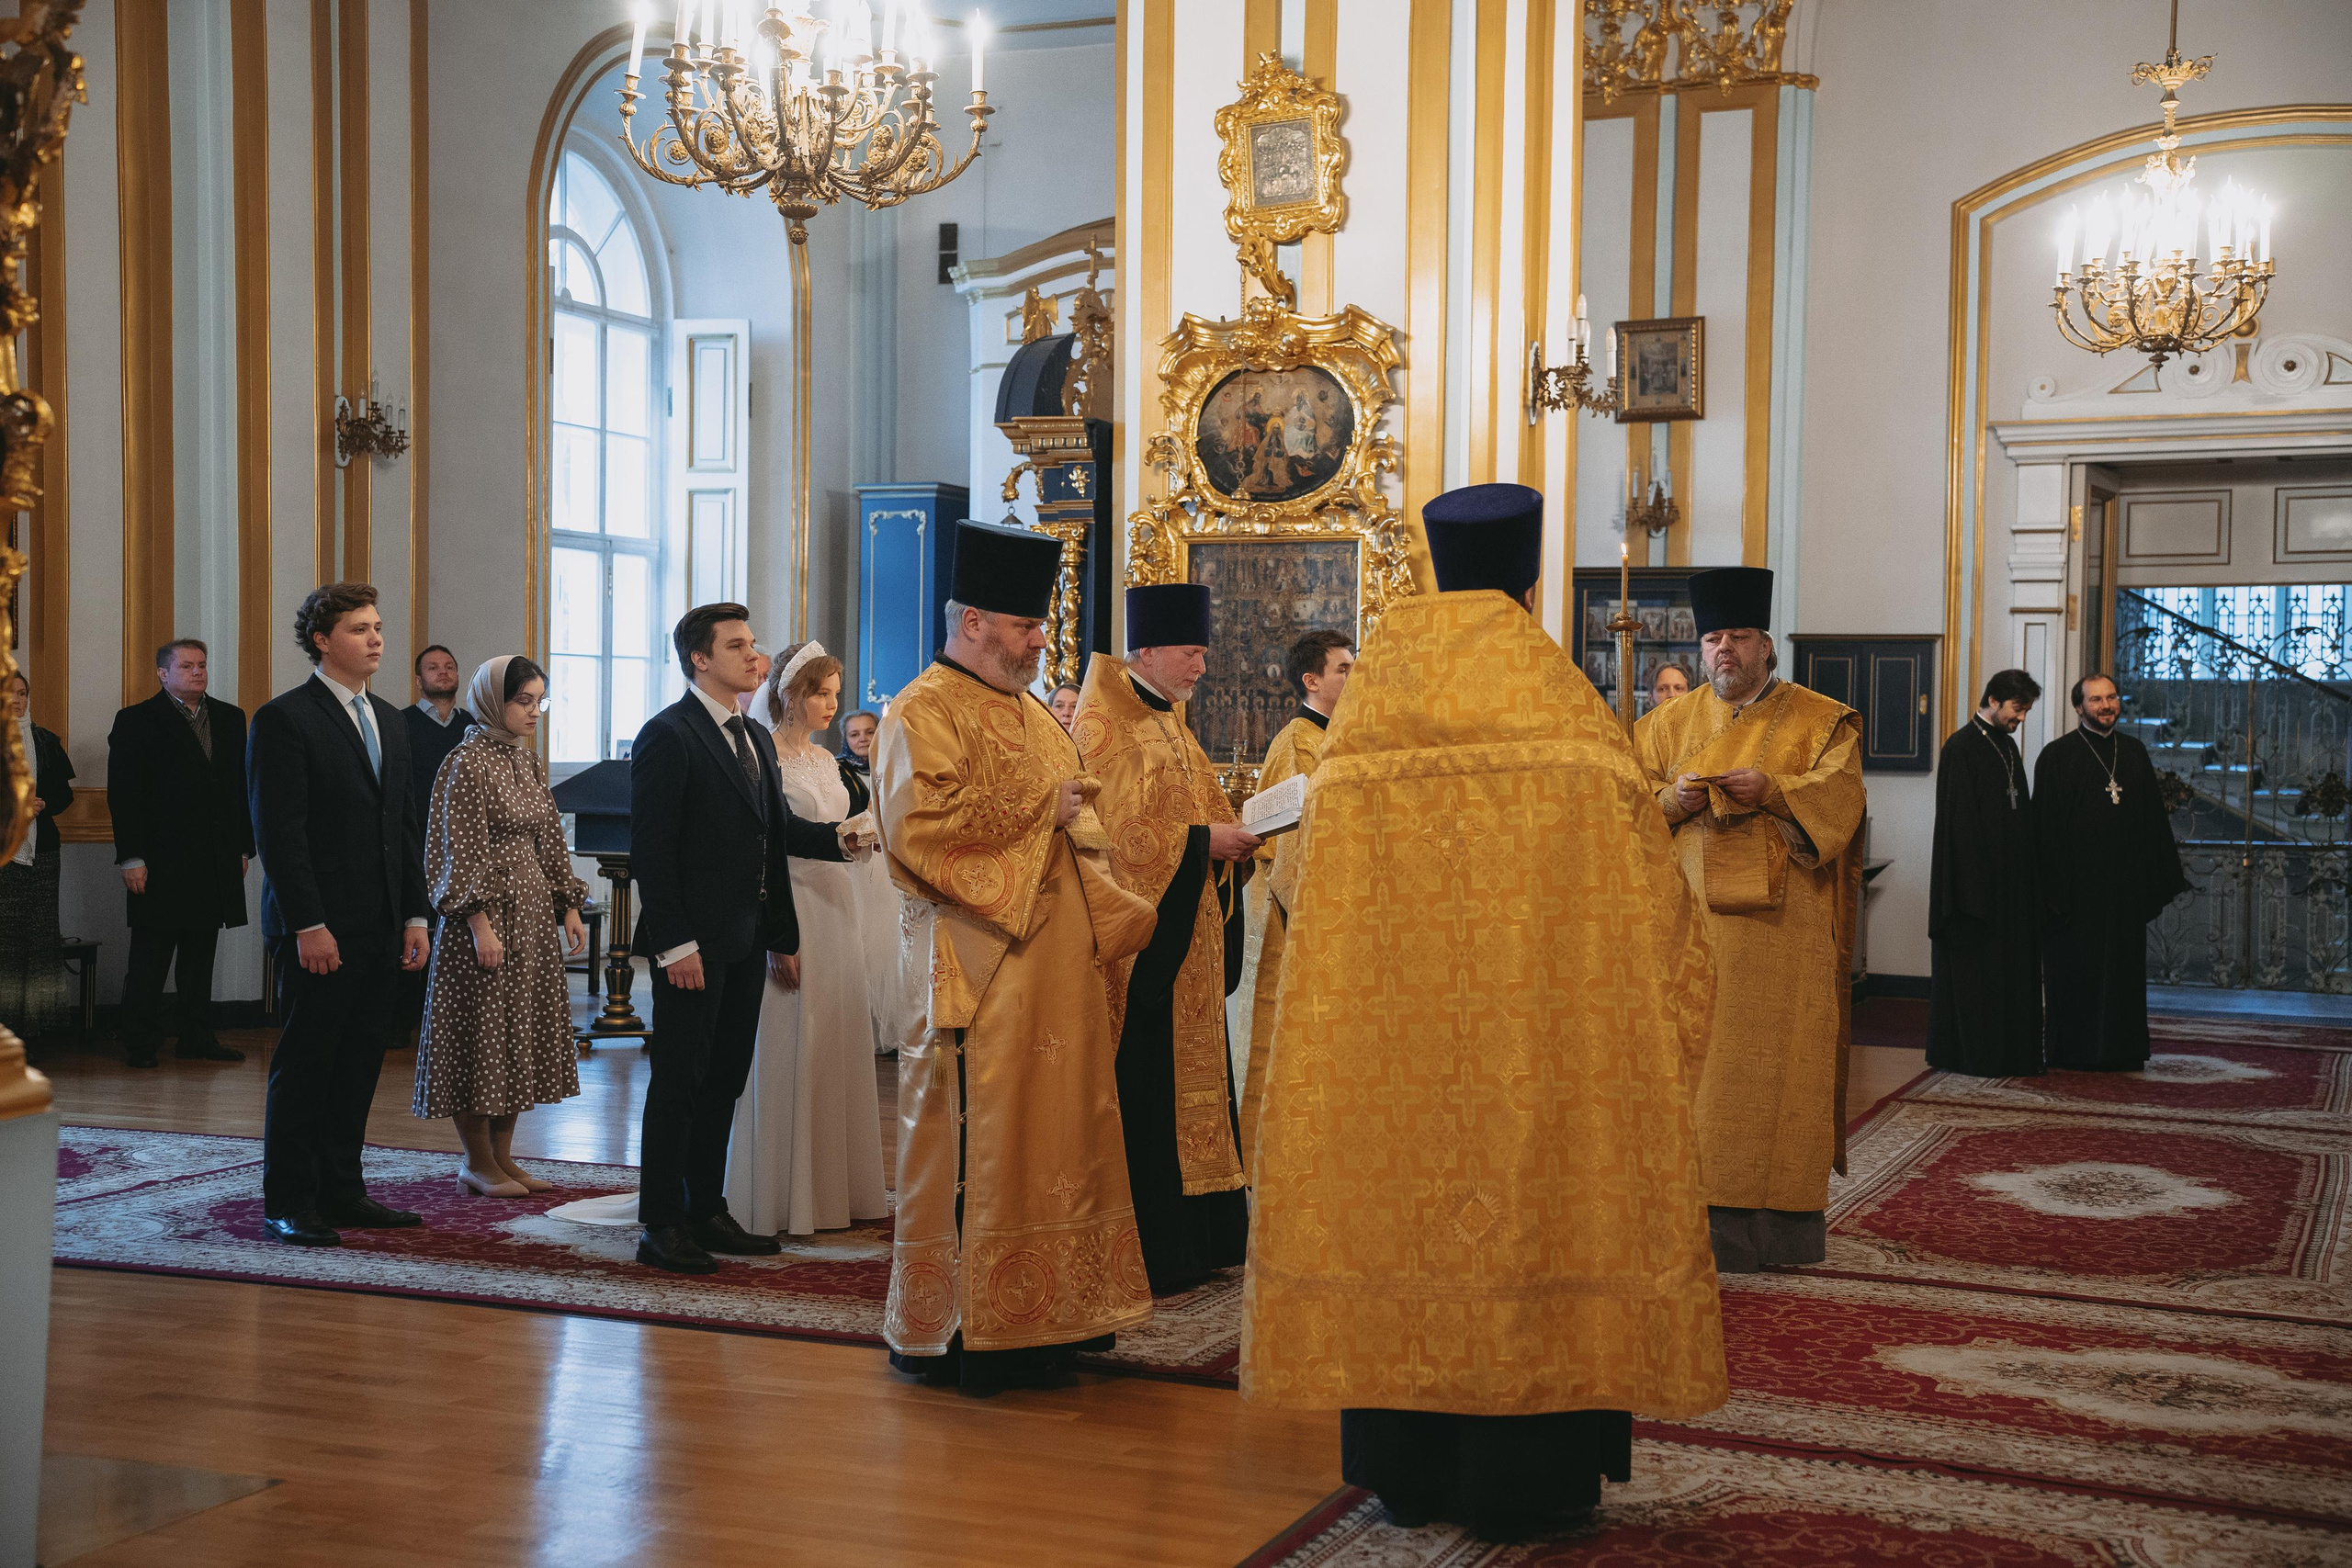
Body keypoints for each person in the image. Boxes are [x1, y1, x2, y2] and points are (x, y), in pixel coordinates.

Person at [1247, 484, 1724, 1539]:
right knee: (1536, 1214)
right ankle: (1535, 1484)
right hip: (1544, 1061)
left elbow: (1298, 890)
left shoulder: (1365, 736)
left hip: (1394, 1065)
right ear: (1530, 578)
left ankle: (1407, 1477)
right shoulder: (1574, 731)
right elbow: (1660, 925)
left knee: (1404, 1220)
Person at [874, 520, 1159, 1393]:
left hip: (1058, 976)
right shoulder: (919, 711)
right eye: (1026, 628)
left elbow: (1079, 819)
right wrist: (1048, 803)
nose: (1040, 642)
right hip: (979, 974)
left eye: (1039, 629)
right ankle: (970, 1331)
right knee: (980, 1148)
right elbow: (916, 834)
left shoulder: (1035, 709)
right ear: (973, 624)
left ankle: (1055, 1314)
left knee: (1063, 1140)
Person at [1632, 566, 1864, 1275]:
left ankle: (1774, 1233)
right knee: (1689, 1081)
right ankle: (1678, 1228)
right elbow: (1622, 802)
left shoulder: (1822, 719)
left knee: (1774, 1078)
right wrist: (1671, 802)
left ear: (1765, 644)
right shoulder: (1664, 723)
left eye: (1736, 636)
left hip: (1781, 943)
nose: (1722, 649)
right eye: (1711, 638)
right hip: (1686, 935)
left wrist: (1775, 790)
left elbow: (1842, 800)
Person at [629, 604, 848, 1275]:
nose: (755, 656)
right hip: (691, 944)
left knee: (724, 1079)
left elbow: (773, 841)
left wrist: (781, 933)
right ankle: (660, 1221)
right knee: (680, 1081)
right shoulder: (669, 734)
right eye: (737, 646)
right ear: (699, 658)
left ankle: (706, 1207)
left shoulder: (751, 737)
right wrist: (674, 944)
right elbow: (654, 850)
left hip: (745, 938)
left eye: (753, 644)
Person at [1074, 583, 1260, 1296]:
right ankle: (1158, 1244)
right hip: (1145, 952)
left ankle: (1206, 1235)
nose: (1202, 666)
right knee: (1150, 1089)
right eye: (1191, 652)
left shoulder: (1172, 726)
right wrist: (1202, 842)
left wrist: (1229, 842)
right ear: (1147, 650)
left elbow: (1195, 817)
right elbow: (1113, 839)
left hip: (1192, 943)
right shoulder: (1104, 727)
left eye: (1205, 652)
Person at [248, 583, 433, 1247]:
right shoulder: (285, 718)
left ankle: (342, 1189)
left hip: (382, 922)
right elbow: (281, 835)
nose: (377, 638)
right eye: (360, 628)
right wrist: (307, 924)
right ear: (323, 640)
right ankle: (289, 1199)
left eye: (379, 626)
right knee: (307, 1065)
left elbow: (405, 825)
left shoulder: (389, 716)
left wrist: (416, 913)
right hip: (317, 927)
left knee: (358, 1063)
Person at [724, 642, 888, 1235]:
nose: (831, 704)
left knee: (837, 1039)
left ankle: (834, 1193)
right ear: (791, 693)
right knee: (793, 1038)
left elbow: (856, 813)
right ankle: (778, 1197)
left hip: (838, 904)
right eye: (822, 693)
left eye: (836, 694)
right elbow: (772, 835)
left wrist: (865, 831)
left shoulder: (826, 761)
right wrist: (776, 935)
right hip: (792, 906)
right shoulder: (761, 752)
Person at [413, 655, 591, 1196]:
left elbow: (549, 839)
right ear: (494, 701)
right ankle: (476, 1161)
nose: (534, 712)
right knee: (480, 1037)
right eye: (523, 701)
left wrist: (568, 904)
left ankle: (504, 1157)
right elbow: (455, 850)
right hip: (485, 923)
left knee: (517, 1037)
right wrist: (478, 923)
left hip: (533, 915)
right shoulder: (466, 762)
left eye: (540, 701)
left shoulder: (528, 762)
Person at [107, 639, 254, 1068]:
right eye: (187, 666)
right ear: (162, 673)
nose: (197, 672)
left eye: (202, 665)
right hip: (158, 859)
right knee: (151, 954)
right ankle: (140, 1041)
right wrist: (131, 857)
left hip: (213, 857)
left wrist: (243, 847)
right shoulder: (137, 720)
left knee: (200, 954)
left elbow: (238, 789)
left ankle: (196, 1036)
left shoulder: (229, 717)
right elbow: (124, 794)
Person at [1240, 627, 1353, 1176]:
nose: (1354, 679)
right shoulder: (1298, 743)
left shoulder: (1345, 735)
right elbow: (1289, 841)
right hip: (1299, 915)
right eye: (1343, 670)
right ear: (1312, 680)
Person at [2035, 672, 2189, 1071]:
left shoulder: (2134, 752)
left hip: (2123, 891)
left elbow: (2152, 821)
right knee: (2075, 974)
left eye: (2112, 697)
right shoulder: (2056, 756)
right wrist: (2054, 893)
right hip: (2075, 894)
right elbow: (2046, 831)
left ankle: (2123, 1050)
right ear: (2078, 708)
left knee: (2121, 975)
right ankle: (2073, 1052)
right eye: (2097, 700)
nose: (2107, 706)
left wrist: (2150, 882)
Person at [1927, 670, 2044, 1078]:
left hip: (2011, 886)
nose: (2022, 718)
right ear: (1993, 700)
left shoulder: (2007, 746)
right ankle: (1974, 1055)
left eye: (2027, 710)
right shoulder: (1961, 747)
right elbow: (1959, 826)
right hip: (1975, 889)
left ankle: (2011, 1053)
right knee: (1980, 975)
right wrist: (1976, 889)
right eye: (2018, 708)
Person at [0, 671, 74, 1047]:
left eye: (23, 693)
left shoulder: (44, 740)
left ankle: (36, 1032)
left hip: (42, 852)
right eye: (9, 693)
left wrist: (44, 804)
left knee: (41, 938)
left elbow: (64, 795)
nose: (17, 700)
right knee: (6, 942)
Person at [837, 705, 915, 1058]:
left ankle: (895, 1024)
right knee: (862, 939)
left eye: (868, 732)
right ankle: (862, 1022)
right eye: (854, 734)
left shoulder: (894, 764)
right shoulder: (838, 772)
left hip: (887, 865)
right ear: (845, 738)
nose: (862, 740)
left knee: (889, 941)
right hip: (857, 862)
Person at [402, 644, 477, 838]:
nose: (443, 671)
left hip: (467, 830)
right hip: (416, 831)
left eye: (449, 667)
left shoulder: (475, 727)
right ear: (419, 681)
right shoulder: (399, 723)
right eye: (433, 668)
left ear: (458, 677)